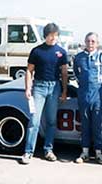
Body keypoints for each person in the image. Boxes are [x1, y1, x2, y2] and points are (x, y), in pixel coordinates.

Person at [20, 23, 68, 164]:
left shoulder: (61, 52)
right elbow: (29, 71)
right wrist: (28, 88)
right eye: (50, 35)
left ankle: (48, 150)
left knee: (51, 121)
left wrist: (64, 91)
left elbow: (64, 73)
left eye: (55, 35)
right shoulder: (36, 51)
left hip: (54, 88)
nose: (53, 37)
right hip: (39, 88)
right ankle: (28, 152)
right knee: (34, 121)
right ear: (45, 35)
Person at [73, 32, 102, 164]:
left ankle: (98, 152)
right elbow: (76, 72)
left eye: (93, 41)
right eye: (88, 41)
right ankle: (84, 152)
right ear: (85, 42)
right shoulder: (79, 57)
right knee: (84, 123)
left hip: (98, 94)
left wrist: (101, 87)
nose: (90, 44)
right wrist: (83, 85)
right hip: (84, 94)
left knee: (97, 123)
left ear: (97, 43)